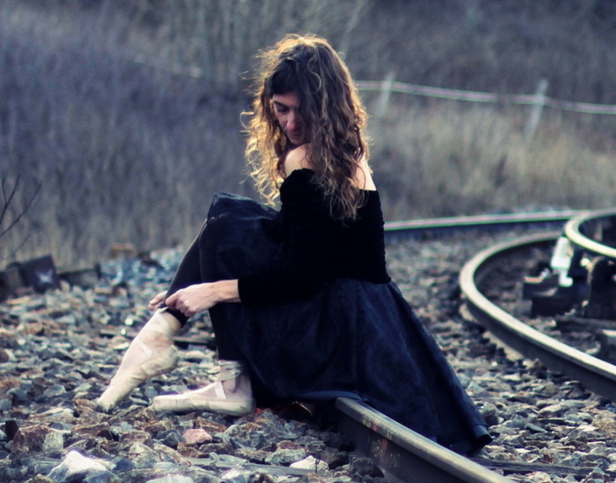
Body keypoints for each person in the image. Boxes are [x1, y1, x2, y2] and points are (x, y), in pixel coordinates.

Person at [94, 35, 490, 455]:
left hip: (335, 333)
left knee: (229, 220)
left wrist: (208, 291)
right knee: (237, 221)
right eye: (281, 110)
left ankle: (190, 357)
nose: (291, 124)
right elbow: (294, 250)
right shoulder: (348, 158)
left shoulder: (306, 160)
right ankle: (169, 335)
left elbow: (299, 276)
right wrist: (191, 286)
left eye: (303, 110)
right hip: (370, 328)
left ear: (327, 107)